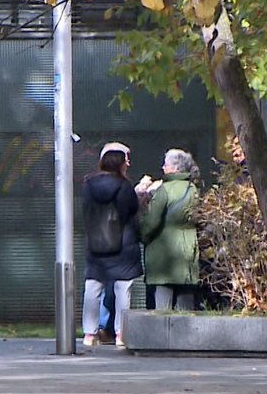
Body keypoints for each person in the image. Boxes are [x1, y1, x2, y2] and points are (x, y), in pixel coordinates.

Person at [81, 147, 144, 348]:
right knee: (122, 289)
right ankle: (120, 334)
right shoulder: (125, 187)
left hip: (96, 243)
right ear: (120, 164)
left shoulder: (89, 185)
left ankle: (89, 334)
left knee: (92, 287)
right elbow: (131, 210)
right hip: (123, 244)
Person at [141, 148, 201, 311]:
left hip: (162, 254)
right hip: (188, 250)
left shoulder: (164, 190)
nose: (163, 167)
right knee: (186, 308)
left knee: (162, 308)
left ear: (175, 168)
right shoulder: (193, 189)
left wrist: (143, 236)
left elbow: (151, 221)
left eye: (166, 164)